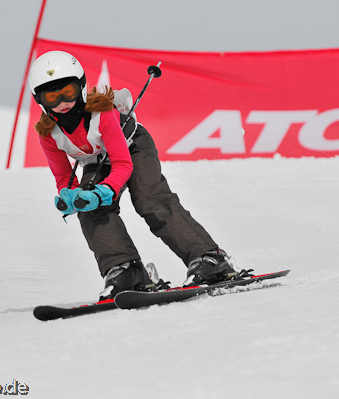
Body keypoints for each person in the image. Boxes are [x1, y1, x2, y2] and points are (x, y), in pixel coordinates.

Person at [28, 50, 238, 300]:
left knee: (150, 199)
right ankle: (126, 269)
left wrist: (106, 191)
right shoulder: (48, 132)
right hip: (98, 161)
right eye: (51, 96)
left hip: (132, 147)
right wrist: (70, 197)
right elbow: (65, 179)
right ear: (40, 100)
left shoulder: (101, 113)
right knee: (89, 208)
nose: (62, 101)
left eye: (68, 92)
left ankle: (209, 258)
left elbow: (123, 165)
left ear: (81, 87)